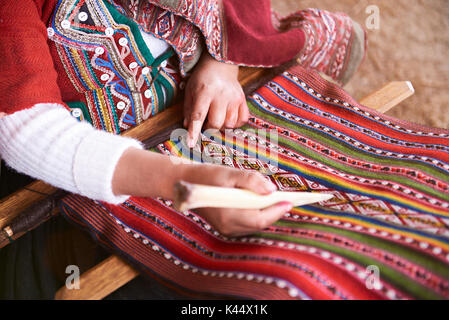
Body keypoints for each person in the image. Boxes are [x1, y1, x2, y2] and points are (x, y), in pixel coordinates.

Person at [0, 0, 366, 298]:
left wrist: (222, 62)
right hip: (77, 173)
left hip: (189, 126)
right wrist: (183, 182)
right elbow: (26, 127)